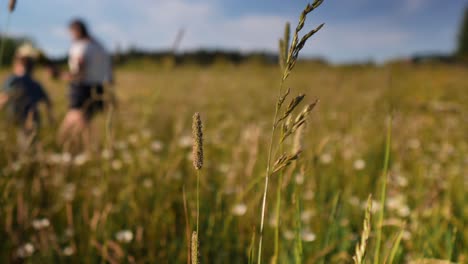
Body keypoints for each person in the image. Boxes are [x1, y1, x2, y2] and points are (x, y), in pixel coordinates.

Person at [58, 18, 113, 151]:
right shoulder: (99, 46)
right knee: (82, 122)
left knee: (75, 124)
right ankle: (87, 150)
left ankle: (90, 151)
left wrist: (61, 75)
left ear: (76, 31)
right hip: (98, 88)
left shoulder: (80, 46)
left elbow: (79, 69)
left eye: (71, 33)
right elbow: (109, 68)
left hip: (81, 89)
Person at [0, 43, 53, 150]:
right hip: (32, 118)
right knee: (29, 144)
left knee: (24, 146)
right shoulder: (35, 83)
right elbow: (47, 101)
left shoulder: (13, 80)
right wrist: (50, 117)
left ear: (17, 63)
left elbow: (3, 98)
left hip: (18, 118)